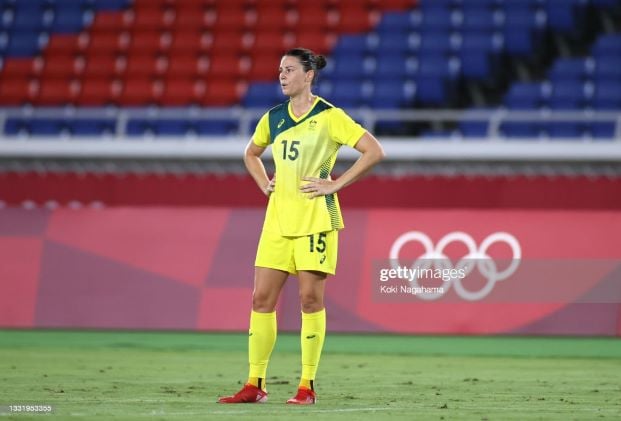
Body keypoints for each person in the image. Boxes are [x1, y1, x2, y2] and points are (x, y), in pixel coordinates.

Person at [217, 47, 385, 405]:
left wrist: (336, 183)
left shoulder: (329, 116)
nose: (282, 75)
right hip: (277, 221)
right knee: (261, 299)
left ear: (308, 75)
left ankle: (307, 386)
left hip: (315, 219)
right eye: (280, 70)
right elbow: (251, 153)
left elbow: (373, 150)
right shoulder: (273, 117)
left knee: (310, 300)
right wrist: (265, 184)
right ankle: (255, 383)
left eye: (289, 70)